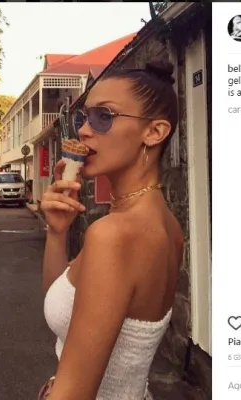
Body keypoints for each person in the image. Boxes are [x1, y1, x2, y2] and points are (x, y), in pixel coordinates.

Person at [39, 58, 184, 400]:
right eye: (84, 117)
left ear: (154, 132)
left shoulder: (114, 234)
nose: (84, 131)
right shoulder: (166, 225)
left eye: (103, 117)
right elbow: (68, 305)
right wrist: (57, 233)